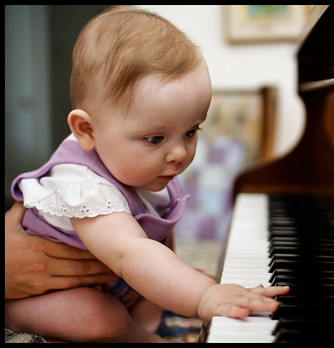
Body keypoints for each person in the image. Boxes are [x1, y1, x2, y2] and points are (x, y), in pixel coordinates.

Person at [5, 6, 289, 343]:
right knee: (98, 318)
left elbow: (157, 233)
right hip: (47, 294)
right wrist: (203, 296)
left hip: (114, 284)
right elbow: (131, 252)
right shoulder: (80, 185)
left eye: (191, 131)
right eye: (155, 138)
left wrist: (180, 277)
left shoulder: (149, 165)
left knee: (163, 285)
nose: (179, 153)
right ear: (86, 129)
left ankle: (143, 324)